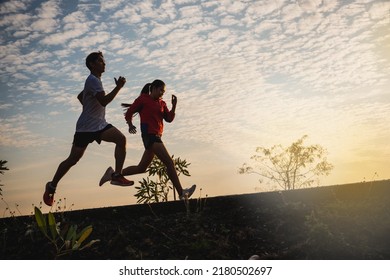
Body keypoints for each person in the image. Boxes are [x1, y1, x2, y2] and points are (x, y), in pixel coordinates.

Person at [43, 51, 133, 207]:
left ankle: (117, 175)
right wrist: (118, 87)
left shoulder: (94, 81)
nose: (104, 63)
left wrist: (89, 108)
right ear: (92, 64)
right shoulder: (93, 81)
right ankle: (51, 186)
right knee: (73, 159)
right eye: (100, 61)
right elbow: (104, 101)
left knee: (121, 139)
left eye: (103, 61)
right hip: (85, 128)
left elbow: (81, 96)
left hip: (98, 124)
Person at [99, 80, 196, 200]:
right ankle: (182, 193)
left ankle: (112, 174)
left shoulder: (162, 103)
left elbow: (169, 119)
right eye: (160, 90)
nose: (162, 93)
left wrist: (174, 106)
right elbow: (129, 112)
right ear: (153, 88)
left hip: (157, 136)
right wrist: (130, 125)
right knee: (169, 163)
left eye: (164, 91)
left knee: (141, 168)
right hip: (150, 136)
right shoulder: (143, 99)